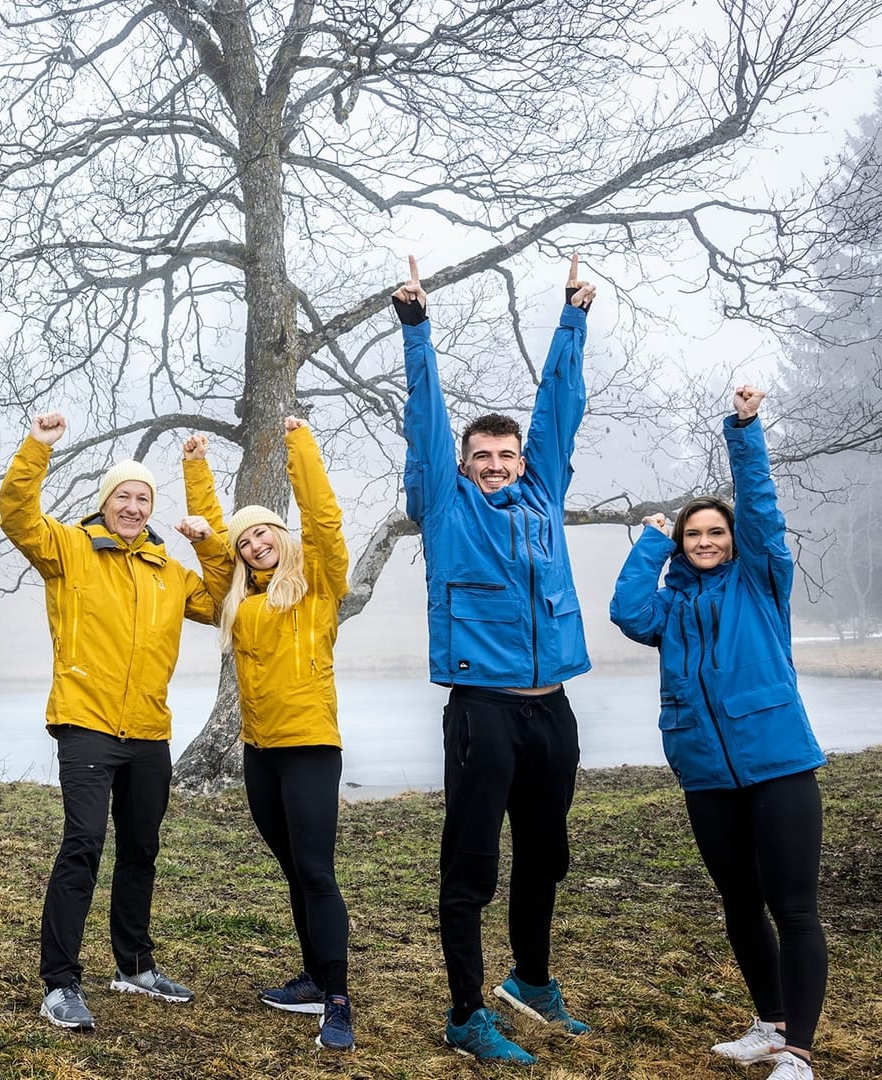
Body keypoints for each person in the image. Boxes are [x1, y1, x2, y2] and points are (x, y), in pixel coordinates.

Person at [396, 254, 597, 1063]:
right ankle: (464, 1012)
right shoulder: (445, 506)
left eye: (506, 455)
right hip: (483, 710)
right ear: (467, 462)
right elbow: (426, 418)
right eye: (483, 455)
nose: (497, 464)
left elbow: (560, 410)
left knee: (547, 853)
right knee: (473, 862)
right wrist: (417, 329)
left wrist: (573, 318)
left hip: (553, 706)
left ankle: (533, 983)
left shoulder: (543, 496)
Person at [610, 385, 826, 1080]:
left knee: (792, 907)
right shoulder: (668, 608)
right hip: (705, 773)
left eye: (714, 533)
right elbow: (625, 611)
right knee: (739, 903)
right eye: (692, 535)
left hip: (778, 765)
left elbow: (760, 507)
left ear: (732, 541)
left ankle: (799, 1052)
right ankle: (769, 1023)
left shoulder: (760, 580)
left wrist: (745, 431)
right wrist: (649, 542)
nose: (704, 542)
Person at [0, 411, 217, 1034]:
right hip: (86, 723)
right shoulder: (68, 548)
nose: (133, 505)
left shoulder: (167, 572)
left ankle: (135, 966)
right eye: (123, 495)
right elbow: (16, 515)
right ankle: (61, 983)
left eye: (144, 497)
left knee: (141, 848)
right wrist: (37, 446)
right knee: (84, 845)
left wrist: (204, 532)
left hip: (149, 730)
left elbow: (224, 596)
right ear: (105, 502)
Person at [179, 418, 356, 1051]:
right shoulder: (235, 601)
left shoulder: (317, 586)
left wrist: (299, 446)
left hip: (309, 746)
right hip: (261, 752)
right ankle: (312, 976)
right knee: (292, 869)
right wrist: (198, 476)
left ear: (282, 536)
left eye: (263, 532)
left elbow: (325, 520)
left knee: (316, 871)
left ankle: (337, 998)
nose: (255, 543)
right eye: (246, 539)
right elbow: (214, 556)